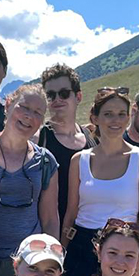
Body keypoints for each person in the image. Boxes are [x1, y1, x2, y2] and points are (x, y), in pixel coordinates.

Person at [61, 88, 139, 276]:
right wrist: (61, 255)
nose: (116, 120)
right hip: (81, 249)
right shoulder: (79, 160)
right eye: (108, 114)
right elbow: (71, 212)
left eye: (122, 114)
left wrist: (137, 265)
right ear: (94, 118)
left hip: (124, 250)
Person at [0, 84, 59, 276]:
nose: (29, 116)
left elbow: (50, 220)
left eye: (38, 112)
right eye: (25, 107)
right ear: (8, 105)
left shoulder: (46, 162)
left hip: (27, 265)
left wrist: (52, 263)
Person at [37, 64, 94, 224]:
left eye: (63, 93)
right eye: (50, 95)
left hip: (86, 230)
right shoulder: (40, 138)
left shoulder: (89, 136)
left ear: (78, 97)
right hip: (50, 231)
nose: (57, 100)